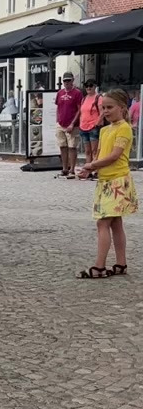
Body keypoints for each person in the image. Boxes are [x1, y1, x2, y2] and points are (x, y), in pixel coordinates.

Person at [77, 88, 138, 278]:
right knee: (115, 223)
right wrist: (90, 169)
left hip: (117, 181)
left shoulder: (124, 128)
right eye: (103, 108)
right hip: (105, 180)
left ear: (122, 108)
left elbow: (114, 155)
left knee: (102, 223)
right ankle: (121, 264)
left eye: (110, 107)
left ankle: (99, 266)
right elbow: (101, 154)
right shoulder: (104, 130)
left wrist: (91, 165)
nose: (105, 111)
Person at [55, 71, 83, 179]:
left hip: (72, 124)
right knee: (62, 146)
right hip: (61, 123)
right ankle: (64, 168)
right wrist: (57, 119)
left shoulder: (77, 93)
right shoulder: (60, 93)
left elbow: (79, 109)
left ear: (72, 81)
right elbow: (58, 107)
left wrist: (72, 123)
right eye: (65, 81)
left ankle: (72, 168)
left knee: (72, 146)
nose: (66, 83)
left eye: (68, 80)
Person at [78, 79, 103, 170]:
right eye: (86, 86)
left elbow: (102, 112)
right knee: (87, 151)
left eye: (91, 85)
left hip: (93, 127)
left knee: (94, 150)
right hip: (83, 127)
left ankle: (95, 169)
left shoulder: (98, 98)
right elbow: (82, 112)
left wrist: (97, 123)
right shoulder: (84, 98)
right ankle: (88, 169)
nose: (88, 87)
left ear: (95, 86)